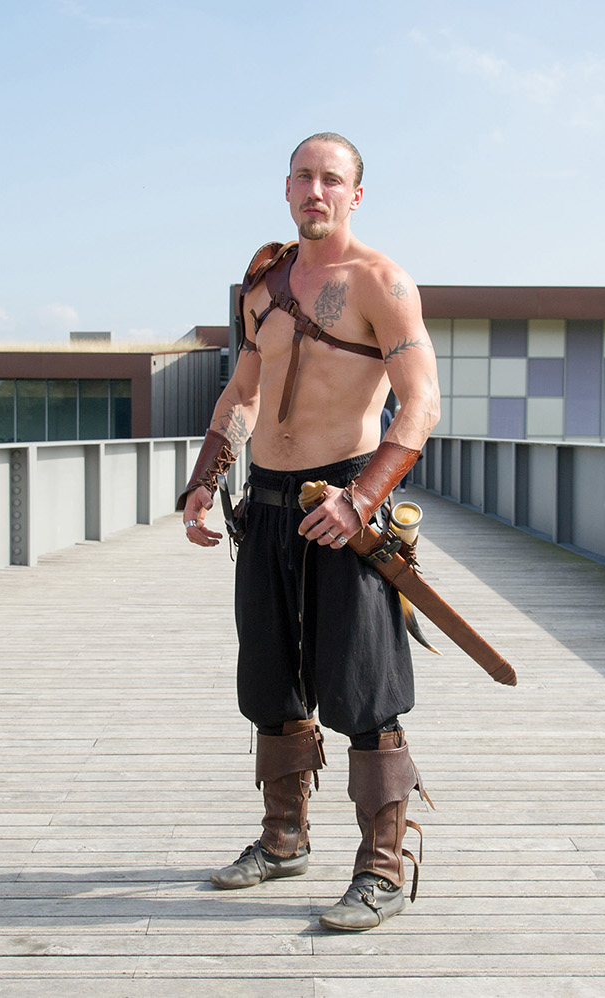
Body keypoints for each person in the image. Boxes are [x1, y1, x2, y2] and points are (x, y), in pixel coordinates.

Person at [178, 132, 441, 931]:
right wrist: (205, 479)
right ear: (286, 188)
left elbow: (422, 403)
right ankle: (284, 839)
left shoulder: (382, 282)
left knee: (363, 688)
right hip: (266, 506)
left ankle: (383, 871)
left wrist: (360, 500)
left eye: (332, 179)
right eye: (303, 176)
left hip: (343, 508)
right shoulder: (263, 284)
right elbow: (242, 392)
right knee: (270, 680)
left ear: (355, 195)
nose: (315, 190)